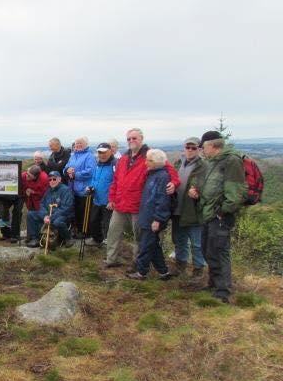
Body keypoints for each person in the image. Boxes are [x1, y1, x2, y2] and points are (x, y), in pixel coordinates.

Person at [105, 128, 180, 268]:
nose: (131, 141)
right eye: (129, 139)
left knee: (139, 237)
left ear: (141, 139)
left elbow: (169, 169)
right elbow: (115, 180)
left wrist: (174, 183)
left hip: (138, 205)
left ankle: (137, 263)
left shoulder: (150, 155)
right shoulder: (123, 158)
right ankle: (111, 259)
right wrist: (112, 198)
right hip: (120, 203)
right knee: (113, 232)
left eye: (134, 138)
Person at [189, 130, 246, 303]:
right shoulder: (211, 162)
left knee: (220, 251)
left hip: (219, 215)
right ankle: (214, 283)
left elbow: (235, 192)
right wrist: (195, 190)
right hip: (208, 214)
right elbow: (205, 184)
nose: (201, 150)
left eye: (203, 147)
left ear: (213, 145)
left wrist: (222, 211)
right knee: (208, 249)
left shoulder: (231, 161)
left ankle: (224, 291)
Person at [127, 150, 172, 280]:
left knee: (146, 245)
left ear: (157, 162)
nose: (146, 162)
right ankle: (163, 272)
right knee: (153, 245)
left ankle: (141, 272)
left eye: (149, 160)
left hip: (153, 218)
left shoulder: (162, 177)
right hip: (147, 215)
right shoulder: (152, 174)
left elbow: (162, 199)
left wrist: (158, 219)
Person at [170, 137, 207, 277]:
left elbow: (209, 187)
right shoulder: (178, 163)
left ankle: (198, 270)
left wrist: (199, 193)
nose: (190, 150)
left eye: (194, 148)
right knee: (179, 240)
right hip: (177, 209)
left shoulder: (204, 166)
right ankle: (180, 266)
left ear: (199, 149)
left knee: (197, 243)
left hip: (194, 211)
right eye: (187, 147)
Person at [26, 171, 74, 248]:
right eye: (50, 179)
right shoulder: (48, 190)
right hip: (48, 215)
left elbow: (66, 208)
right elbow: (41, 204)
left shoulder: (66, 190)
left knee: (57, 222)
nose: (51, 181)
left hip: (63, 215)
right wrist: (45, 215)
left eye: (54, 179)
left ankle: (68, 238)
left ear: (59, 179)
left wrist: (51, 217)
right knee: (31, 214)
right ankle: (35, 239)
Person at [85, 143, 116, 247]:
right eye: (99, 152)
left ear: (110, 151)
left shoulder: (115, 164)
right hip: (96, 199)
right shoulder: (98, 164)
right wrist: (90, 187)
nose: (102, 155)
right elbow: (94, 179)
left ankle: (109, 244)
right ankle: (97, 240)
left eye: (104, 152)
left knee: (108, 224)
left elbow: (118, 183)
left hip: (108, 201)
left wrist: (113, 200)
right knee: (94, 221)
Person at [63, 136, 96, 237]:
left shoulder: (89, 156)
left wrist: (75, 175)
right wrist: (67, 170)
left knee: (84, 213)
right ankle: (77, 231)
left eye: (80, 143)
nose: (78, 145)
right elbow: (66, 167)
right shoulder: (73, 155)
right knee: (76, 212)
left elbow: (90, 171)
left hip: (83, 189)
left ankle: (86, 233)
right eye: (77, 143)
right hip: (72, 189)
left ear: (86, 145)